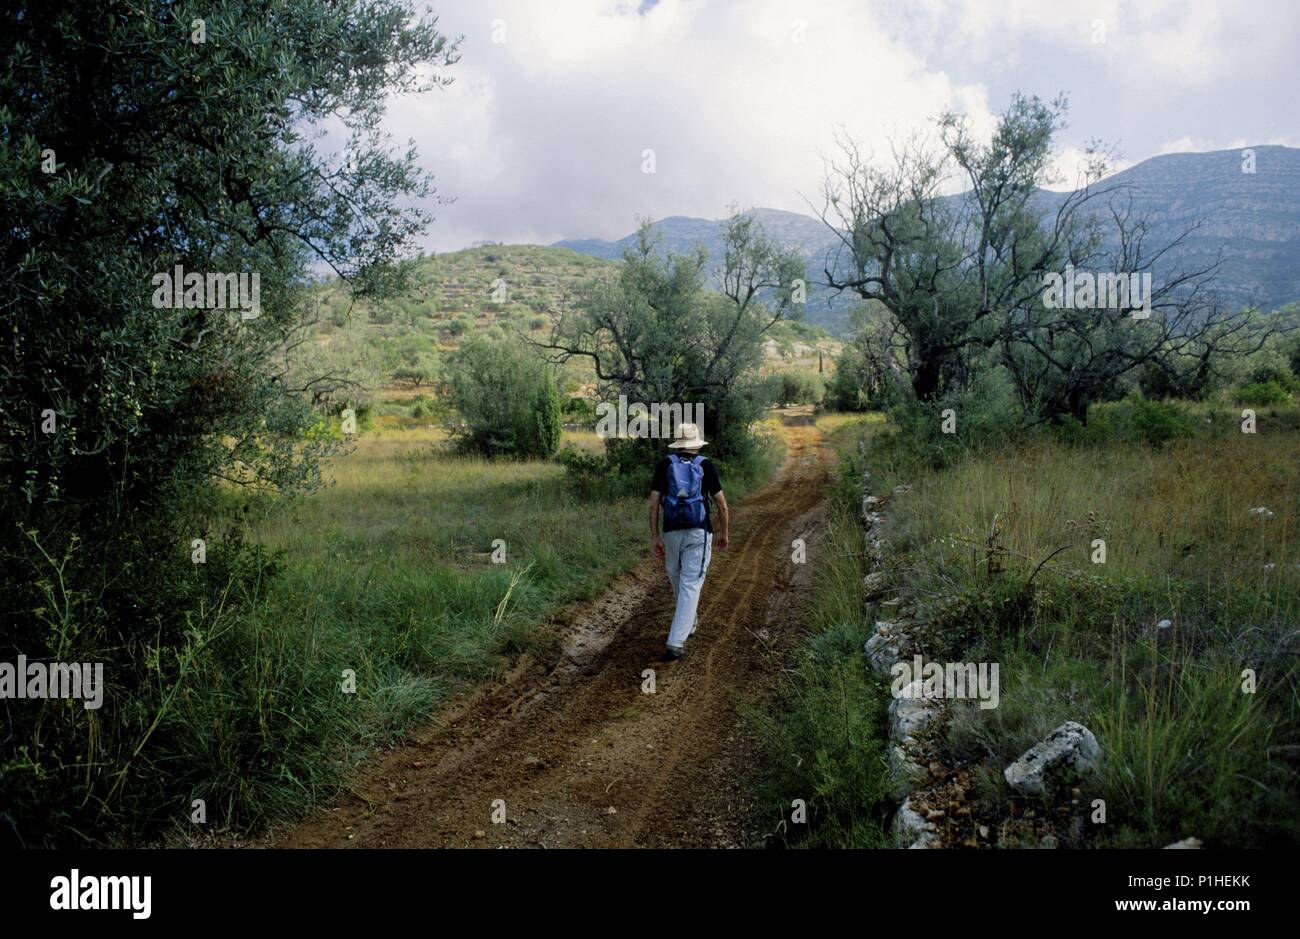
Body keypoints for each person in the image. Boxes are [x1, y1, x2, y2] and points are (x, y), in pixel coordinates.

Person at [647, 422, 729, 659]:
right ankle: (675, 641)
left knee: (676, 577)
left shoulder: (665, 464)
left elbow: (654, 504)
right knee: (691, 583)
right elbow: (721, 504)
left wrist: (654, 536)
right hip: (698, 531)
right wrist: (724, 532)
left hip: (671, 531)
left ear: (678, 444)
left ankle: (689, 623)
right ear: (696, 445)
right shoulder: (706, 465)